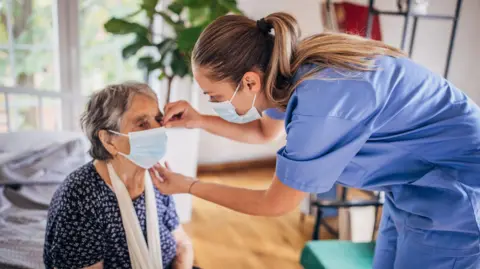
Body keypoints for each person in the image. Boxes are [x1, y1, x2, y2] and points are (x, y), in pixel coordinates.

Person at [148, 12, 480, 269]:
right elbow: (266, 132)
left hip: (458, 195)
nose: (216, 103)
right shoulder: (289, 68)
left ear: (249, 81)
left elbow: (274, 203)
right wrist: (199, 120)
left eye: (215, 97)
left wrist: (188, 186)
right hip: (411, 187)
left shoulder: (320, 101)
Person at [44, 82, 194, 269]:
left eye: (157, 119)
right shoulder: (80, 195)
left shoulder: (157, 179)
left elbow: (183, 245)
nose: (157, 129)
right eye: (142, 123)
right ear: (109, 141)